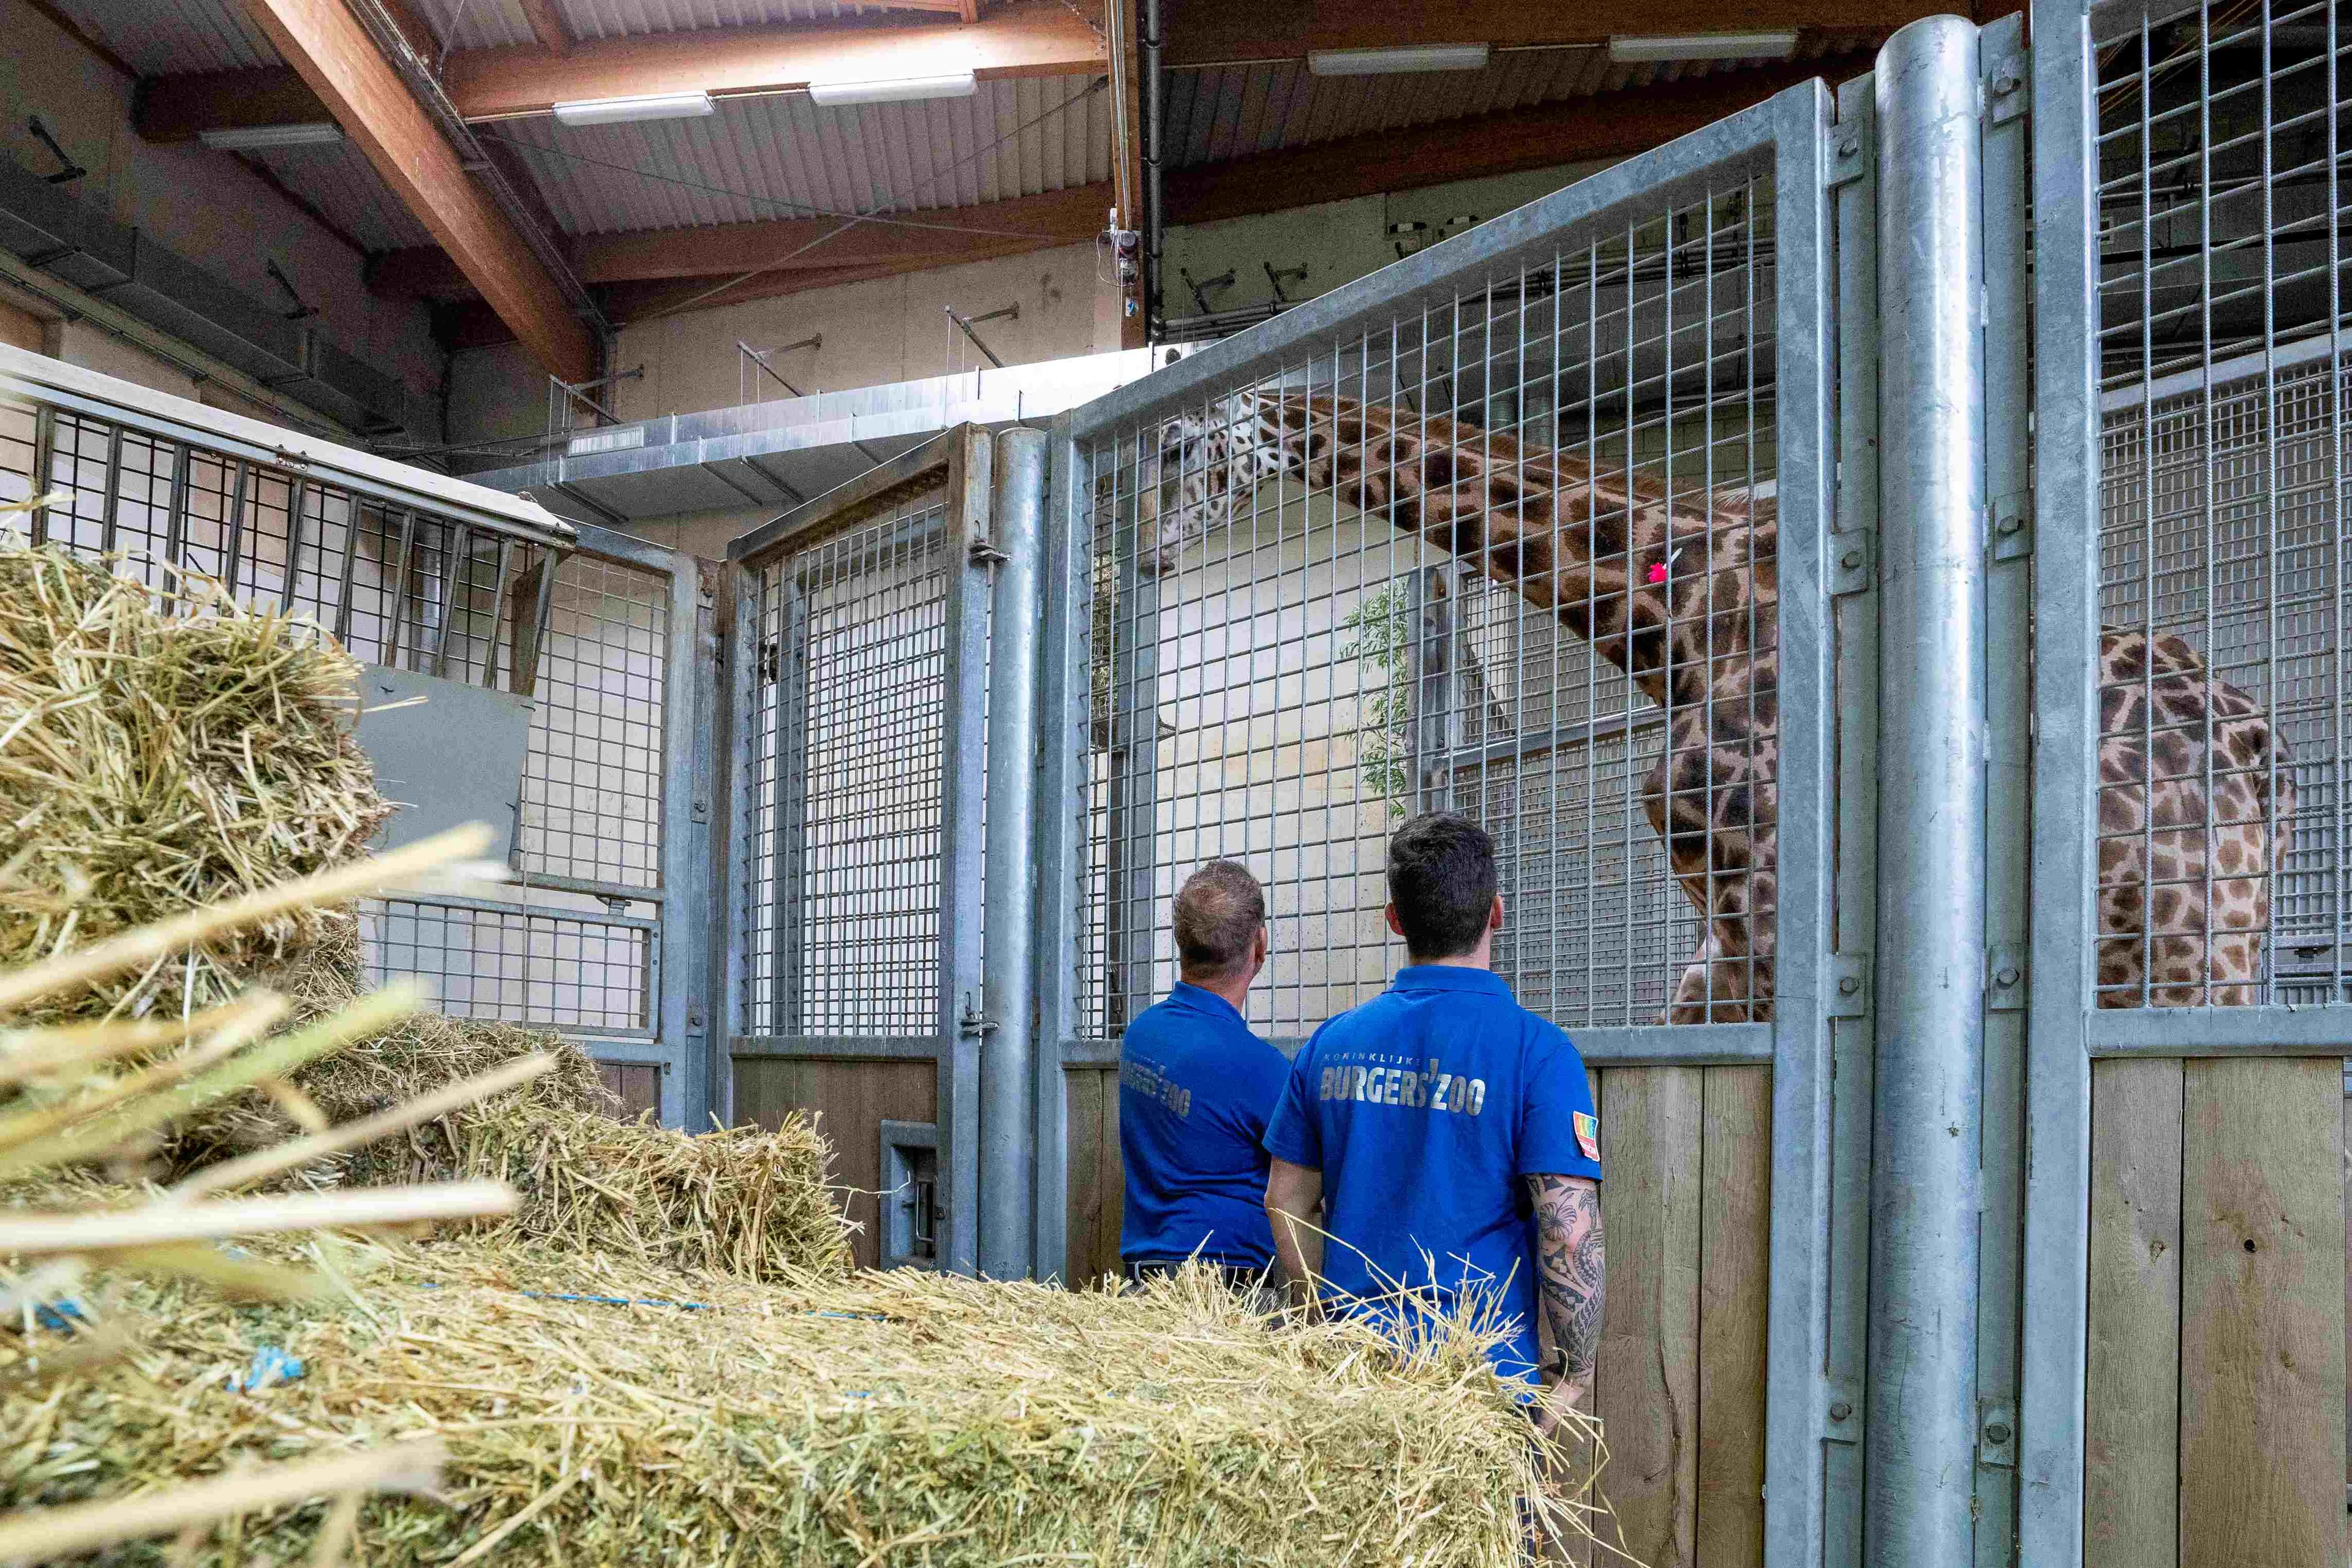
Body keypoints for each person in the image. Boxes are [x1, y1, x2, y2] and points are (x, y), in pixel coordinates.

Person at [1261, 812, 1605, 1434]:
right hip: (1478, 1394)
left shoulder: (1330, 1045)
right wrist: (1575, 1376)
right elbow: (1570, 1232)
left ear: (1395, 920)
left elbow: (1284, 1200)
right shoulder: (1539, 1053)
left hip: (1353, 1382)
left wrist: (1328, 1316)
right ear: (1496, 911)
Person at [1118, 859, 1292, 1292]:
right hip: (1227, 1292)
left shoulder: (1142, 1034)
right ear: (1260, 945)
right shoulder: (1260, 1066)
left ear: (1180, 941)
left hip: (1146, 1280)